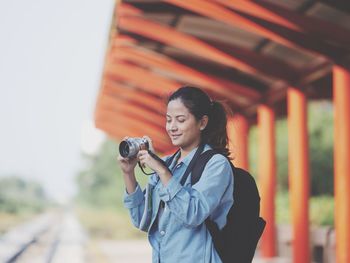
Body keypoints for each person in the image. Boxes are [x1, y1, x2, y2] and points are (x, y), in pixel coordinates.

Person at [117, 86, 234, 263]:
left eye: (180, 120)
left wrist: (162, 170)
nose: (172, 127)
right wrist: (128, 174)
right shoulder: (167, 163)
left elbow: (193, 214)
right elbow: (142, 220)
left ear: (202, 122)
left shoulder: (216, 164)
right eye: (169, 120)